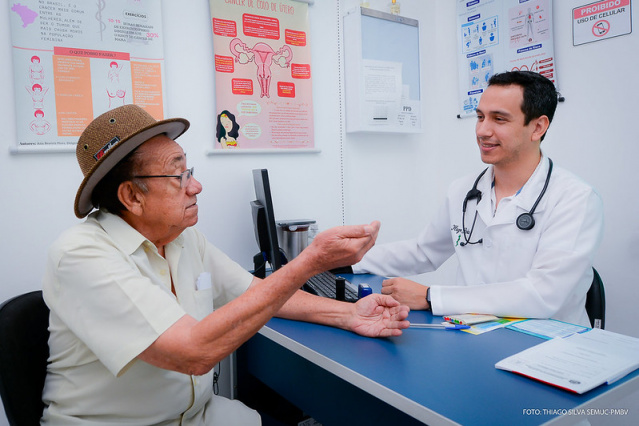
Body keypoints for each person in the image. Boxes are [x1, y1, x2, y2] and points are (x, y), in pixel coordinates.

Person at [41, 104, 410, 425]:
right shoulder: (81, 256)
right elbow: (193, 352)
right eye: (179, 174)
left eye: (191, 170)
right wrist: (311, 261)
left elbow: (256, 291)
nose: (196, 186)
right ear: (132, 197)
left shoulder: (182, 239)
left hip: (205, 417)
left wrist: (348, 315)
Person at [353, 71, 603, 327]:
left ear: (538, 127)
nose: (483, 130)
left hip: (548, 345)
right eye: (480, 117)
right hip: (473, 331)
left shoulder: (575, 199)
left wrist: (431, 297)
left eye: (499, 119)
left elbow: (543, 295)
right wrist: (347, 259)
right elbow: (424, 251)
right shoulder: (464, 190)